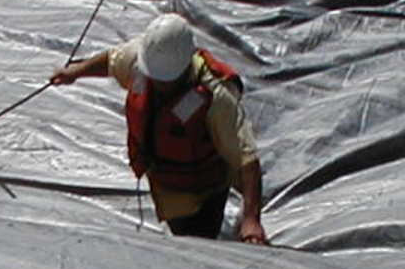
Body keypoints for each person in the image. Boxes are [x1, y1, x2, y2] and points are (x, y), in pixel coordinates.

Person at [50, 14, 268, 245]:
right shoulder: (144, 61)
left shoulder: (215, 96)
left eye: (166, 80)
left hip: (203, 191)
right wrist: (75, 71)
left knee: (198, 244)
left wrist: (251, 219)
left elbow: (247, 158)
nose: (158, 84)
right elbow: (113, 61)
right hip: (166, 186)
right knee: (180, 230)